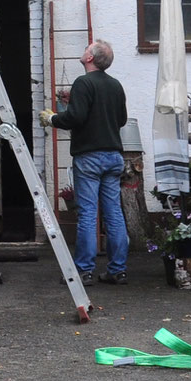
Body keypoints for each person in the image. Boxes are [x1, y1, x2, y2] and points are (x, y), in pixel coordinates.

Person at [42, 38, 131, 285]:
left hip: (89, 157)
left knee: (88, 214)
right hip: (114, 156)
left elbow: (76, 117)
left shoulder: (83, 82)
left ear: (90, 58)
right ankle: (117, 270)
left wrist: (53, 119)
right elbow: (121, 120)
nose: (83, 51)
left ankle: (83, 270)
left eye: (86, 49)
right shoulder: (115, 85)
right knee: (114, 214)